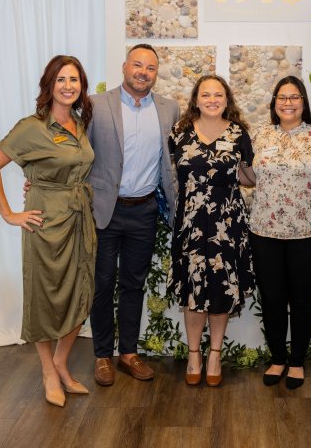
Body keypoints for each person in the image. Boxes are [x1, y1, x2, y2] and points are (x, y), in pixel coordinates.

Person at [0, 55, 96, 407]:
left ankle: (62, 363)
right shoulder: (32, 127)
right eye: (61, 79)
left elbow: (73, 169)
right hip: (45, 223)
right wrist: (9, 213)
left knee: (82, 291)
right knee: (45, 295)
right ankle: (48, 370)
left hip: (79, 219)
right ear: (49, 85)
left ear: (81, 87)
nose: (68, 86)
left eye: (74, 80)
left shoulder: (79, 124)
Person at [88, 44, 180, 386]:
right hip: (105, 211)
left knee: (133, 284)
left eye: (151, 68)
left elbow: (171, 163)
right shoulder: (96, 105)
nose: (143, 72)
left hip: (143, 211)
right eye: (138, 65)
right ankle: (102, 356)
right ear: (125, 66)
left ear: (157, 73)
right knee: (101, 285)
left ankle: (128, 353)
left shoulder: (169, 109)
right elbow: (77, 155)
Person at [168, 75, 255, 387]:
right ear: (196, 99)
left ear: (226, 99)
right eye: (206, 94)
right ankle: (194, 354)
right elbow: (166, 175)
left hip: (227, 225)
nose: (212, 100)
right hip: (190, 224)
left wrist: (254, 168)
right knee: (193, 292)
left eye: (218, 95)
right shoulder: (179, 134)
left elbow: (248, 178)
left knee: (221, 289)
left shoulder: (238, 133)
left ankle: (215, 354)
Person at [247, 76, 311, 390]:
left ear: (303, 102)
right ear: (274, 103)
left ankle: (297, 361)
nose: (288, 103)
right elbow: (250, 178)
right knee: (272, 298)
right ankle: (277, 358)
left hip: (309, 233)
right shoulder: (260, 135)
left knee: (303, 299)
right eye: (282, 97)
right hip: (265, 231)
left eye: (294, 97)